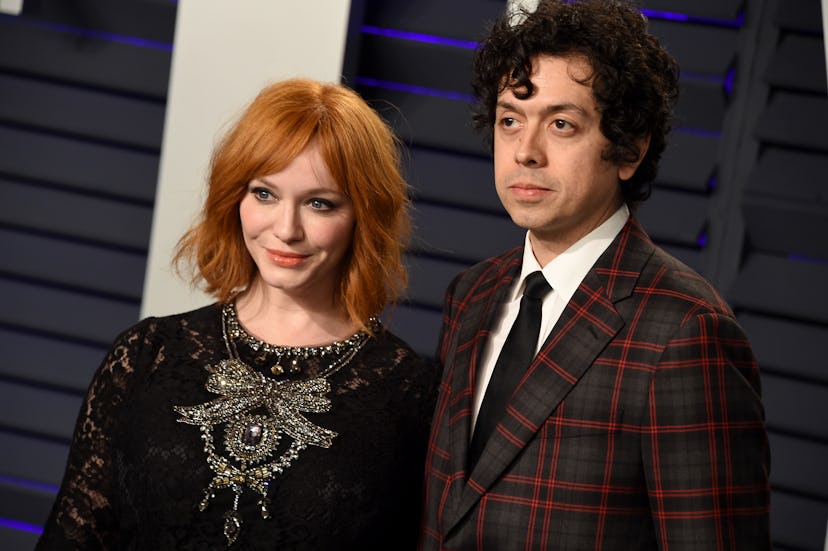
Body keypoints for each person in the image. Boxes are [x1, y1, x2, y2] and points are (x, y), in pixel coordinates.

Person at [419, 1, 771, 549]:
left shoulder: (686, 333)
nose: (525, 152)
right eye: (510, 119)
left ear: (628, 148)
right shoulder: (471, 294)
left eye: (562, 124)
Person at [37, 78, 439, 549]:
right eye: (264, 194)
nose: (285, 229)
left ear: (362, 218)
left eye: (319, 203)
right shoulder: (146, 356)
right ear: (235, 199)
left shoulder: (411, 393)